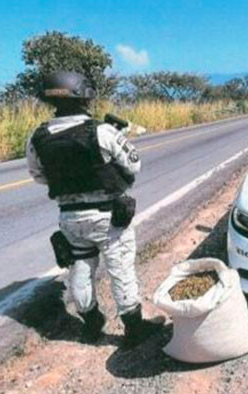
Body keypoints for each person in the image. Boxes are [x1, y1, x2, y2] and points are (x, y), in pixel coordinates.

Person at [26, 71, 159, 347]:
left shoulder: (37, 137)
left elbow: (39, 176)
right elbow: (134, 165)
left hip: (69, 217)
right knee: (120, 269)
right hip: (107, 215)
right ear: (84, 96)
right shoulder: (102, 131)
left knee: (80, 269)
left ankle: (91, 324)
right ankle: (134, 329)